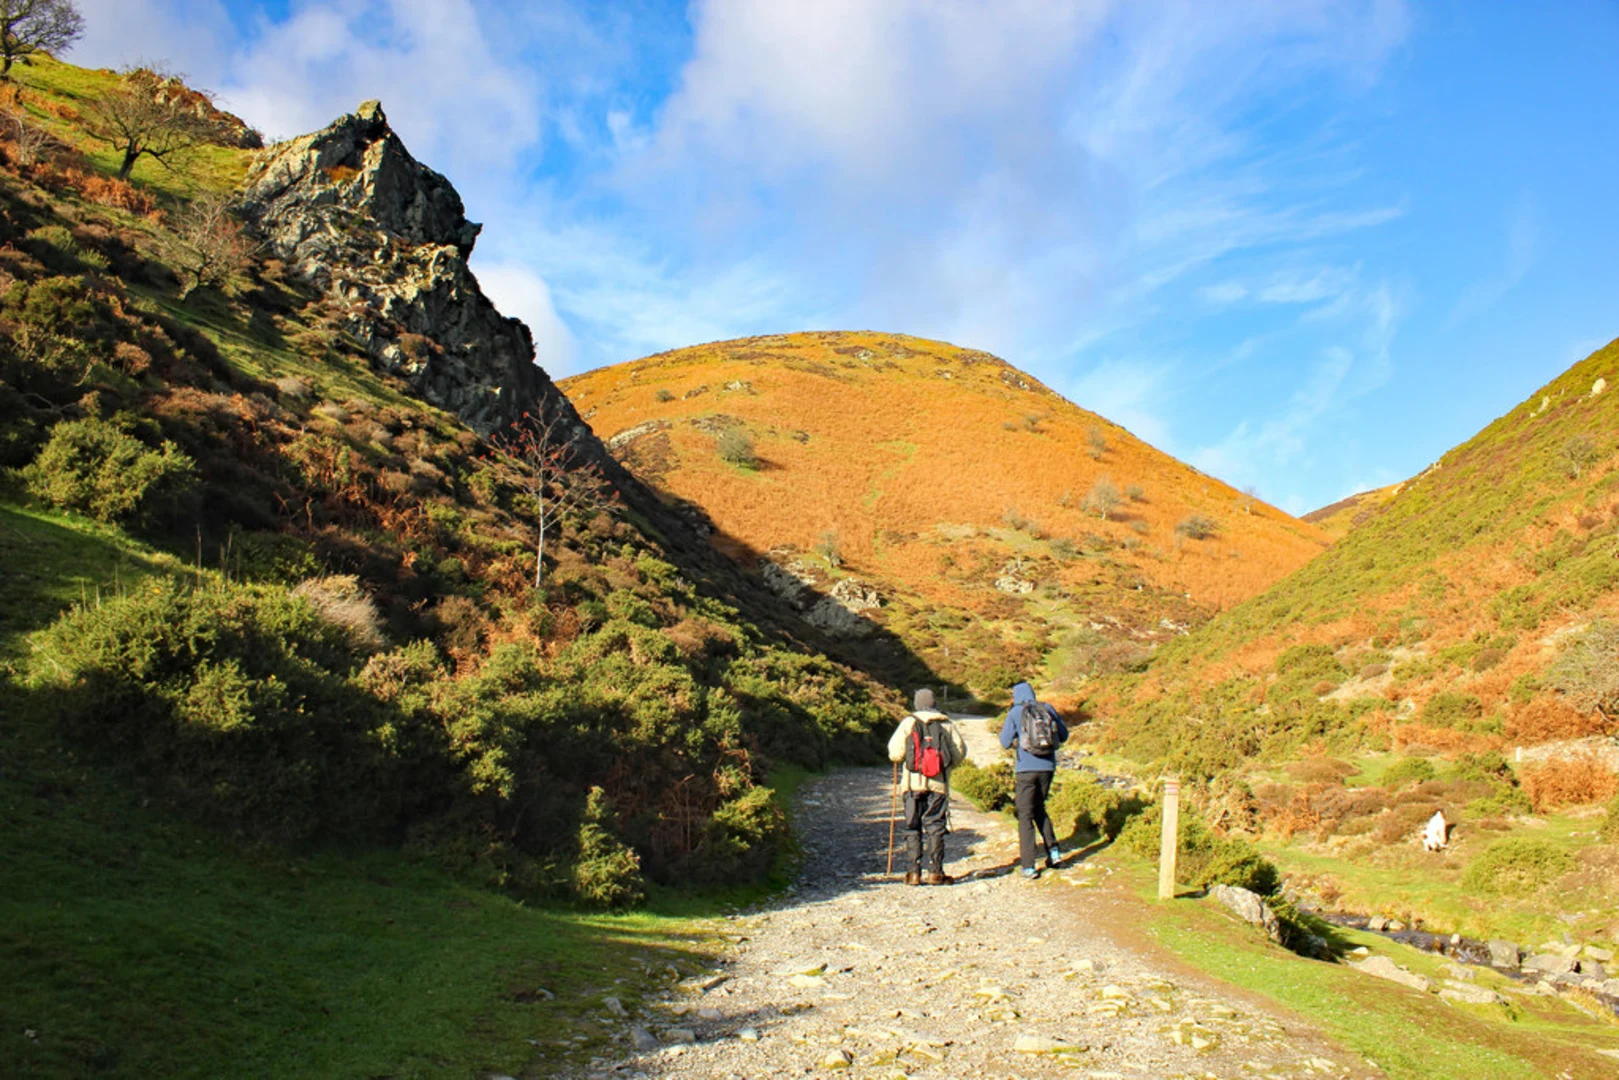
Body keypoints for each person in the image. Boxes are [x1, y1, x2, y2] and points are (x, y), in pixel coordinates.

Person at [888, 688, 968, 886]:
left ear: (916, 703)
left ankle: (913, 873)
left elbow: (895, 754)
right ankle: (935, 872)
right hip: (938, 784)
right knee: (935, 826)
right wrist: (944, 767)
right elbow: (959, 753)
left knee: (912, 826)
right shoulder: (946, 723)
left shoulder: (908, 723)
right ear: (934, 703)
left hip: (911, 785)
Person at [1000, 680, 1068, 879]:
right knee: (1040, 808)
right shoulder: (1047, 708)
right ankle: (1054, 854)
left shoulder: (1015, 712)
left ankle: (1029, 865)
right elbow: (1063, 735)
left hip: (1025, 770)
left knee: (1025, 815)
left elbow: (1004, 742)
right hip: (1047, 768)